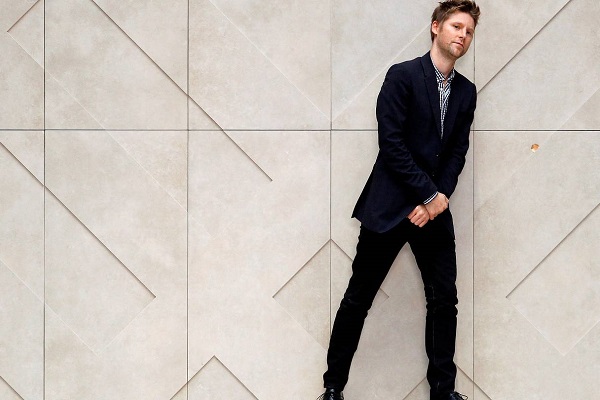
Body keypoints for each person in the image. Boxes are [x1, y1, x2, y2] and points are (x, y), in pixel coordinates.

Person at [318, 1, 480, 400]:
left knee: (444, 301)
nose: (463, 35)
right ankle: (333, 388)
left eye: (469, 31)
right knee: (358, 299)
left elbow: (457, 151)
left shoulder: (466, 92)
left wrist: (439, 200)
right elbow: (391, 143)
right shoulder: (403, 76)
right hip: (390, 206)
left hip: (434, 212)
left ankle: (443, 392)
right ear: (436, 27)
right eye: (456, 26)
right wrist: (428, 194)